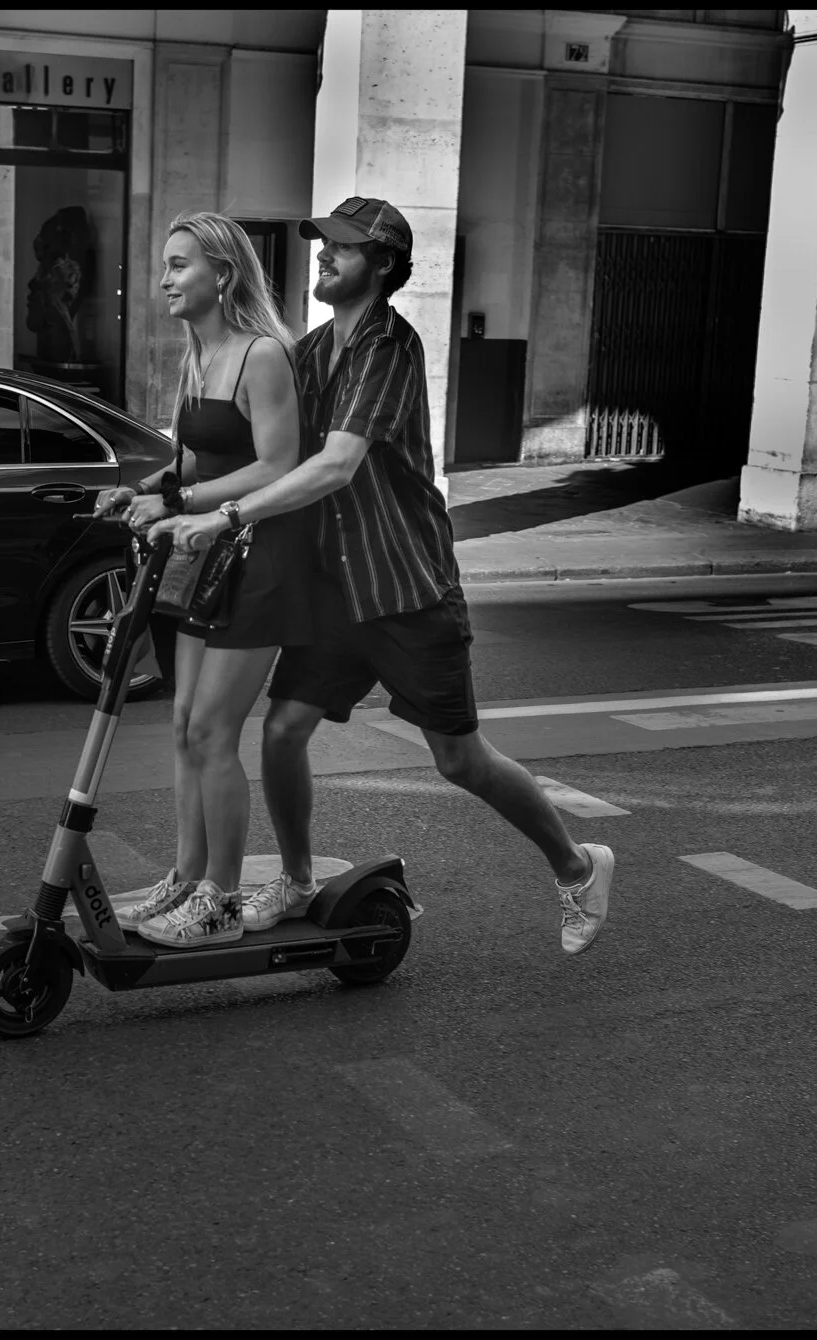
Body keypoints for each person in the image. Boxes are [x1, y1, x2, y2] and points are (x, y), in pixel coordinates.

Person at [151, 197, 617, 955]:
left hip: (403, 586)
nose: (323, 255)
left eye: (341, 247)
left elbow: (335, 464)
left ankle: (577, 864)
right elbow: (265, 447)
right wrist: (167, 491)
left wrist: (226, 516)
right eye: (322, 243)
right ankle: (298, 879)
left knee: (459, 758)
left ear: (383, 263)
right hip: (333, 588)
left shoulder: (387, 347)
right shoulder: (309, 351)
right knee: (283, 731)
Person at [91, 210, 304, 950]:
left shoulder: (261, 355)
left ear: (224, 272)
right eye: (165, 265)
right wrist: (143, 488)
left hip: (258, 561)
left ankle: (220, 898)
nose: (165, 279)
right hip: (202, 559)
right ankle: (185, 878)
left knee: (213, 731)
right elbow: (194, 459)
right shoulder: (197, 355)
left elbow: (277, 465)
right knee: (183, 725)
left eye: (180, 264)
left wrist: (178, 501)